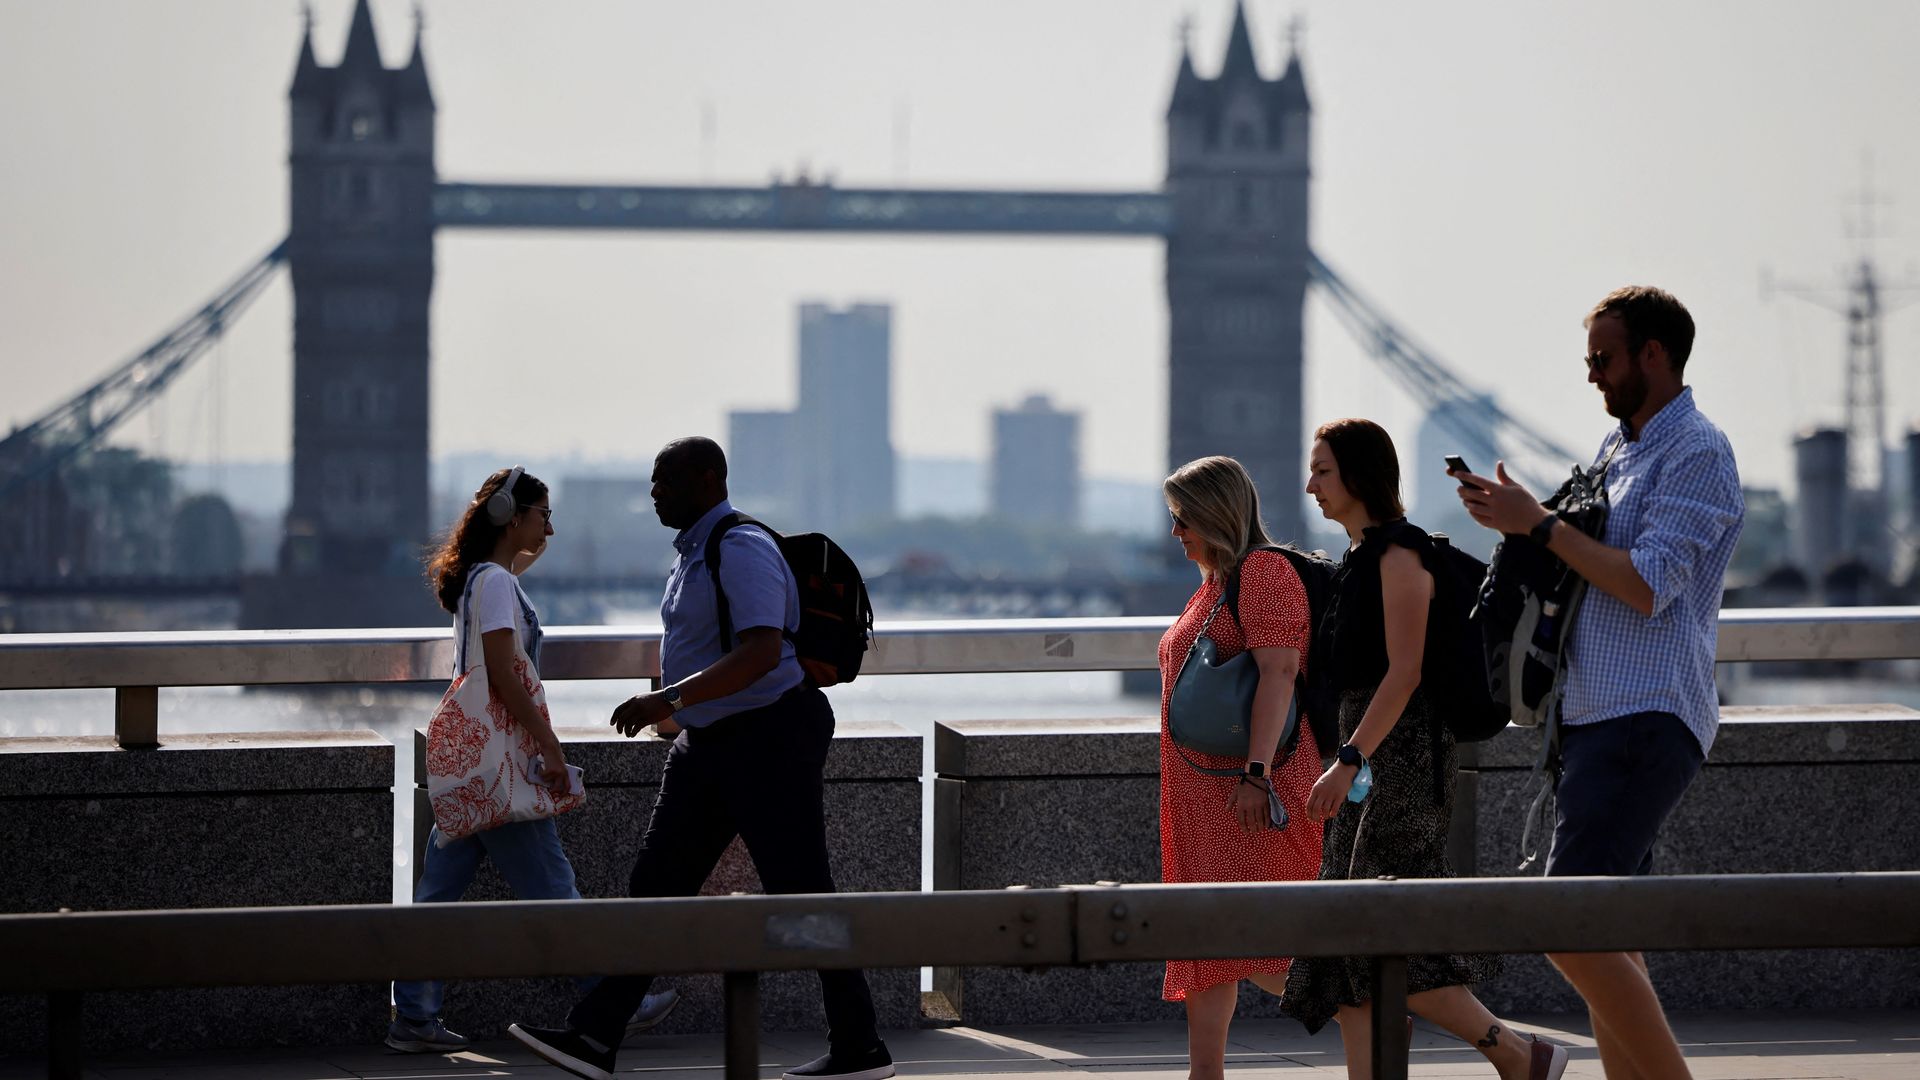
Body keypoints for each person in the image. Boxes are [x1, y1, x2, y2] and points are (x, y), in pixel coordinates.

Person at [510, 437, 893, 1080]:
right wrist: (678, 715)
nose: (654, 492)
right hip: (709, 745)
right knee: (656, 885)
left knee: (803, 893)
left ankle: (859, 1045)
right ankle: (596, 1038)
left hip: (770, 738)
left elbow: (762, 651)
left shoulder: (738, 547)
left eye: (666, 480)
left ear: (709, 480)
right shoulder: (694, 553)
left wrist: (668, 696)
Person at [1454, 286, 1743, 1080]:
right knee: (1610, 932)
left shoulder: (1698, 453)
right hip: (1596, 717)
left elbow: (1650, 585)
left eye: (1602, 358)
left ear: (1654, 355)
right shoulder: (1622, 447)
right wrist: (1523, 521)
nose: (1590, 376)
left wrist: (1539, 525)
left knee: (1569, 919)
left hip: (1645, 716)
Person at [1281, 420, 1566, 1080]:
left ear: (1358, 475)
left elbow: (1404, 673)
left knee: (1388, 933)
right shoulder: (1356, 558)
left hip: (1402, 761)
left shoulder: (1400, 556)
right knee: (1343, 940)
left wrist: (1348, 758)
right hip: (1368, 758)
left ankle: (1519, 1054)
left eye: (1323, 471)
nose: (1311, 485)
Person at [392, 467, 677, 1053]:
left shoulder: (480, 578)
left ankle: (414, 1018)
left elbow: (498, 622)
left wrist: (527, 546)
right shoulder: (494, 583)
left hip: (475, 766)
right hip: (502, 762)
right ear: (509, 516)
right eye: (542, 513)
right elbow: (503, 671)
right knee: (552, 886)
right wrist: (547, 745)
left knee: (437, 897)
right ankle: (610, 1005)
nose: (551, 524)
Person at [1158, 456, 1323, 1080]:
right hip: (1201, 795)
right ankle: (1206, 1073)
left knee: (1257, 936)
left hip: (1253, 790)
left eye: (1182, 519)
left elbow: (1279, 674)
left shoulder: (1263, 572)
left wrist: (1256, 775)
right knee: (1208, 938)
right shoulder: (1213, 584)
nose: (1175, 532)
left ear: (1213, 515)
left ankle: (1370, 1010)